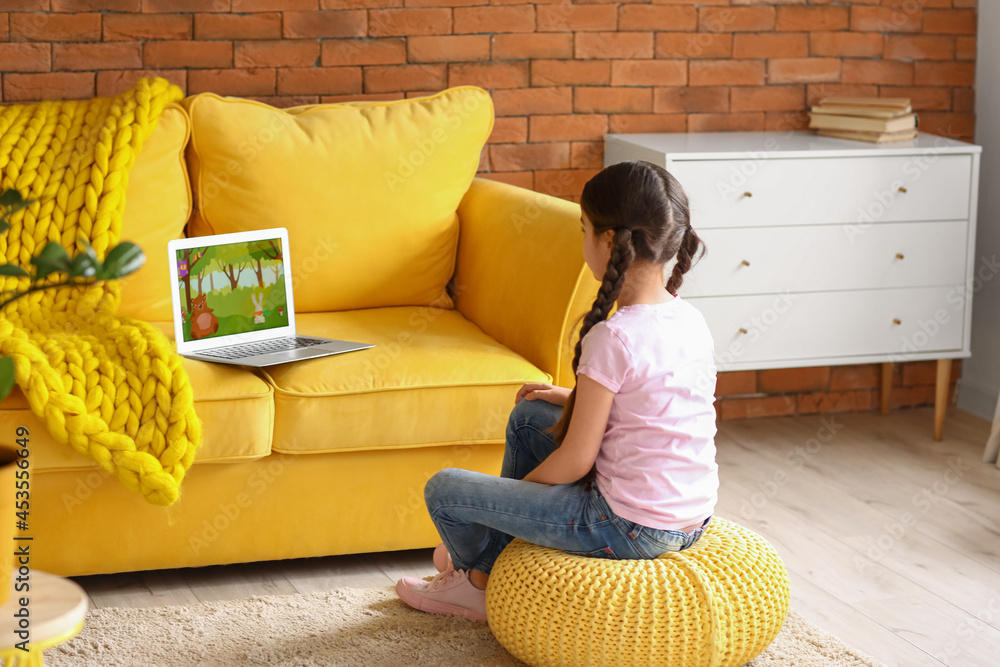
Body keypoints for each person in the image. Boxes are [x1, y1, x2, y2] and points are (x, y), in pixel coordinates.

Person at [396, 160, 719, 622]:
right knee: (532, 414)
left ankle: (477, 579)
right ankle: (482, 572)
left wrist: (500, 514)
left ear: (609, 241)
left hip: (626, 527)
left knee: (445, 489)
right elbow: (660, 407)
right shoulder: (688, 317)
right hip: (689, 519)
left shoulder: (614, 336)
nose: (582, 240)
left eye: (583, 229)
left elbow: (576, 461)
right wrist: (574, 398)